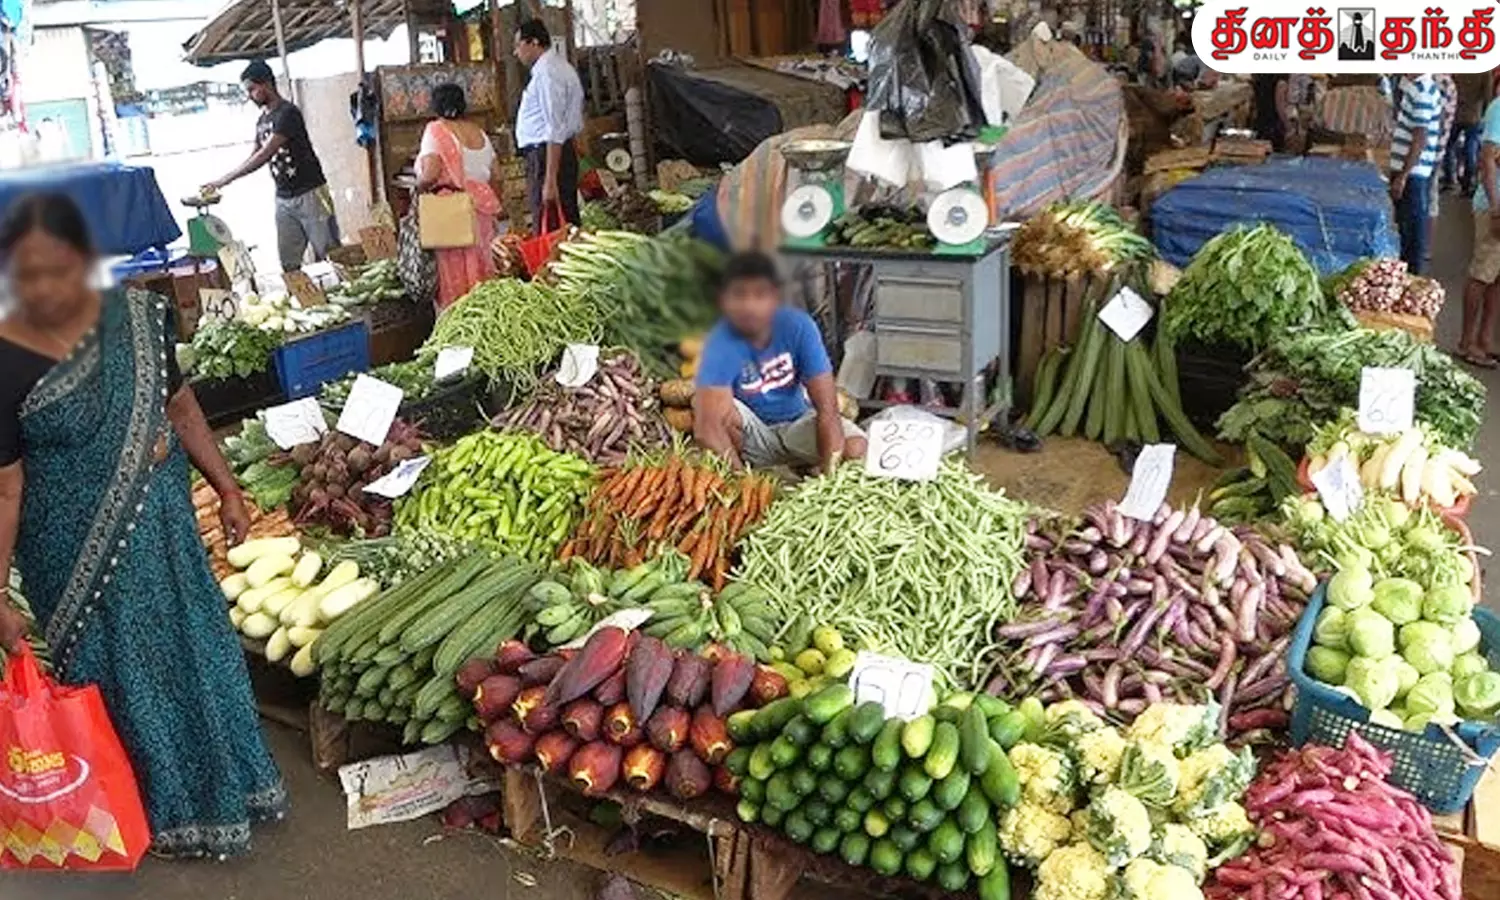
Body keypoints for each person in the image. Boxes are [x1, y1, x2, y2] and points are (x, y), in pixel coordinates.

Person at [0, 194, 285, 857]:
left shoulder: (138, 319)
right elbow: (7, 486)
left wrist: (228, 489)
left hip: (162, 532)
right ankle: (148, 809)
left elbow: (181, 409)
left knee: (194, 651)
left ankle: (227, 790)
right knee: (117, 673)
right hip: (70, 558)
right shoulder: (7, 357)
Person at [693, 252, 866, 472]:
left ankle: (806, 469)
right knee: (708, 407)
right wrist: (741, 481)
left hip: (797, 424)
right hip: (753, 436)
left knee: (855, 448)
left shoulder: (798, 327)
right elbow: (707, 428)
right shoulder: (718, 341)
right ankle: (751, 472)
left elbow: (828, 408)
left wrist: (829, 477)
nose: (750, 306)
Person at [205, 60, 338, 272]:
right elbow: (254, 154)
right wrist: (224, 179)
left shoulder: (288, 113)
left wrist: (225, 180)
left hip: (311, 192)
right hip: (283, 198)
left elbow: (265, 154)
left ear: (267, 84)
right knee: (289, 261)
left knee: (330, 254)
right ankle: (299, 291)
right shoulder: (262, 121)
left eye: (252, 89)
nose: (250, 96)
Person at [415, 82, 501, 311]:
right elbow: (496, 174)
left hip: (452, 215)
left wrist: (419, 186)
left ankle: (457, 324)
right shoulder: (479, 132)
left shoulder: (436, 130)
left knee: (454, 277)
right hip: (482, 213)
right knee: (482, 270)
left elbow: (431, 173)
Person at [513, 19, 584, 233]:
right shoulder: (559, 67)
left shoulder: (548, 72)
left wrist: (550, 179)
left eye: (518, 45)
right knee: (564, 219)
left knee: (551, 224)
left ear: (534, 42)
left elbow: (555, 127)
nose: (516, 52)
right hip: (555, 153)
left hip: (546, 155)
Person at [1459, 93, 1500, 367]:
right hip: (1493, 206)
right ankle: (1467, 342)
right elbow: (1486, 159)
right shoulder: (1499, 108)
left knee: (1497, 278)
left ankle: (1486, 339)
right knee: (1482, 274)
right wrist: (1495, 207)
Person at [1389, 73, 1443, 274]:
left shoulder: (1423, 91)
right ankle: (1409, 274)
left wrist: (1403, 176)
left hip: (1414, 173)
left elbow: (1420, 137)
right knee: (1408, 227)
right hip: (1413, 172)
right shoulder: (1417, 88)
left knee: (1411, 229)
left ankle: (1412, 276)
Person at [1444, 71, 1491, 194]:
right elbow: (1487, 95)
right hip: (1474, 114)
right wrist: (1485, 114)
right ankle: (1468, 183)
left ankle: (1450, 179)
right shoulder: (1484, 71)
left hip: (1456, 112)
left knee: (1448, 145)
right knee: (1470, 149)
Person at [1252, 73, 1290, 151]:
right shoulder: (1281, 81)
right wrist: (1288, 125)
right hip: (1275, 126)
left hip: (1261, 122)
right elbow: (1280, 106)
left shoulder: (1259, 78)